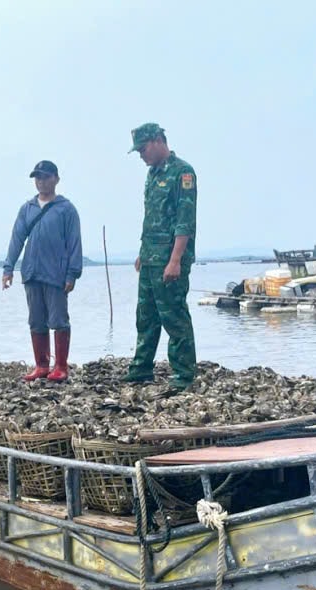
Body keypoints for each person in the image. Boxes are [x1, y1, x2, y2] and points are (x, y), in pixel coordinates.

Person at [125, 123, 197, 390]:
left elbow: (184, 220)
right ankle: (141, 368)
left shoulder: (182, 173)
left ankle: (184, 374)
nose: (141, 155)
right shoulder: (153, 174)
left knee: (174, 316)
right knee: (146, 316)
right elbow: (152, 218)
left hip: (169, 259)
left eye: (143, 149)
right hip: (150, 257)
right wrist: (142, 253)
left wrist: (175, 260)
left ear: (157, 141)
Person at [2, 160, 83, 382]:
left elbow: (74, 243)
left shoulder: (66, 209)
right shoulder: (27, 208)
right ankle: (41, 365)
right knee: (36, 320)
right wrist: (8, 268)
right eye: (37, 177)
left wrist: (72, 274)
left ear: (56, 179)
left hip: (56, 274)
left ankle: (61, 366)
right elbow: (17, 239)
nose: (41, 182)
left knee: (59, 320)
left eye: (46, 177)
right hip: (31, 272)